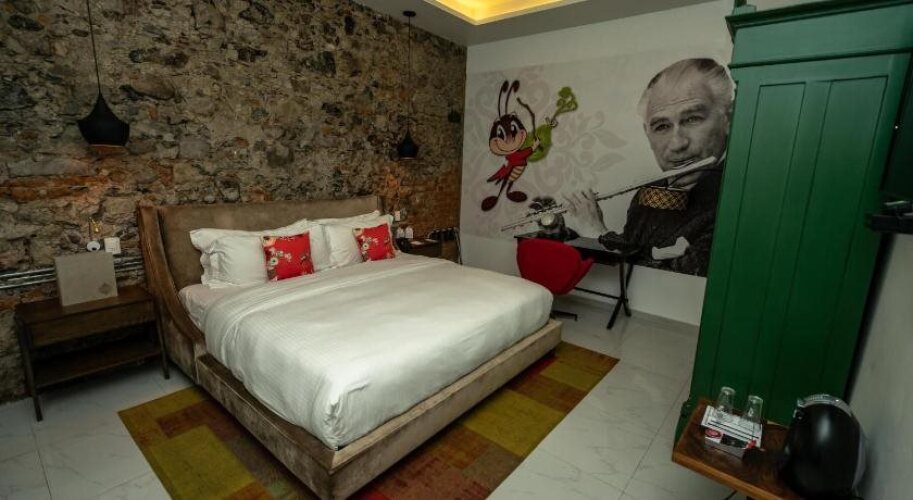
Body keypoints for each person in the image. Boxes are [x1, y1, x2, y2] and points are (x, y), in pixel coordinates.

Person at [567, 58, 734, 276]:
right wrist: (570, 233)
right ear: (648, 135)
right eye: (662, 126)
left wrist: (598, 235)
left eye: (692, 119)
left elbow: (677, 281)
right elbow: (637, 252)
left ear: (728, 119)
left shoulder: (737, 203)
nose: (677, 144)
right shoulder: (649, 194)